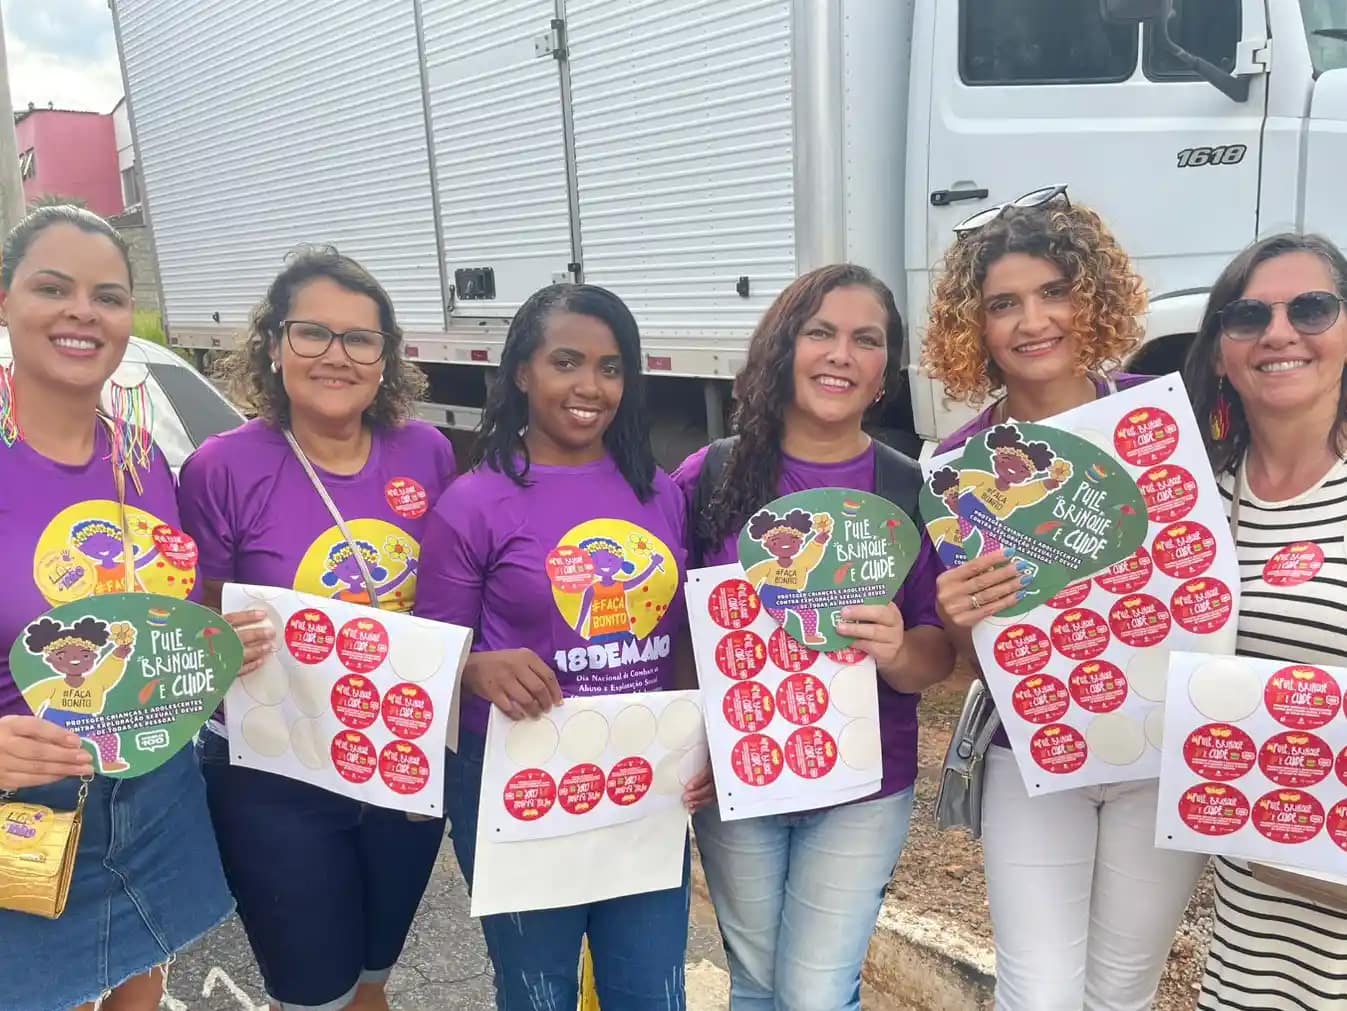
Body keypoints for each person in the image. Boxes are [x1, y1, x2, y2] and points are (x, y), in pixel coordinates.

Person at [923, 190, 1206, 1010]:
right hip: (1033, 749)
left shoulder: (1162, 415)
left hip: (1161, 747)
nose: (1030, 321)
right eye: (1002, 304)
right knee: (1038, 993)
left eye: (1052, 292)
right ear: (973, 326)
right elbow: (973, 662)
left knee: (1122, 989)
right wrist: (959, 613)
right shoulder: (958, 461)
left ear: (1092, 297)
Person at [0, 205, 272, 1011]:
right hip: (23, 810)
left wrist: (217, 648)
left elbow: (150, 623)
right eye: (54, 287)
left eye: (108, 295)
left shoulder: (141, 456)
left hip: (153, 788)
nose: (84, 311)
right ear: (6, 300)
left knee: (139, 991)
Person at [414, 282, 710, 1009]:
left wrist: (697, 736)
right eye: (567, 362)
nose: (590, 386)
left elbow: (677, 636)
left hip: (642, 779)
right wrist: (475, 668)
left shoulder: (660, 492)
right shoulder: (472, 502)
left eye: (610, 368)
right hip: (516, 785)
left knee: (651, 989)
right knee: (537, 991)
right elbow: (422, 666)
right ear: (522, 372)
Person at [176, 248, 455, 1011]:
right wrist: (219, 638)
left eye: (360, 338)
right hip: (277, 777)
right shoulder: (221, 468)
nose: (336, 355)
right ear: (272, 344)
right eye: (311, 333)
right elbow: (194, 621)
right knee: (311, 993)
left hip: (398, 760)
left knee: (372, 976)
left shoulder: (427, 452)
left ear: (385, 357)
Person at [676, 263, 955, 1011]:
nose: (840, 353)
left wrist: (898, 647)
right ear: (783, 347)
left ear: (883, 373)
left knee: (815, 991)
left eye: (865, 340)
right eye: (820, 332)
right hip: (742, 772)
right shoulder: (713, 474)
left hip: (861, 784)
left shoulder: (908, 488)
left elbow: (935, 656)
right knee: (759, 985)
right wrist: (683, 733)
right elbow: (666, 626)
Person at [1183, 233, 1347, 1010]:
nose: (1278, 332)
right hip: (1251, 928)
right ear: (1220, 353)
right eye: (1247, 316)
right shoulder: (1192, 510)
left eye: (1310, 307)